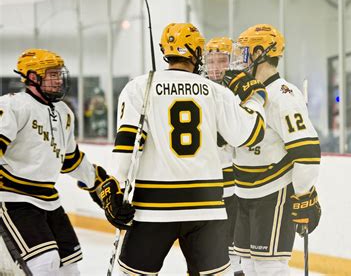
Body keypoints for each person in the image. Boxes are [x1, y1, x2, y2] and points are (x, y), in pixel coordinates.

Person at [112, 23, 267, 275]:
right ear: (196, 53)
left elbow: (128, 145)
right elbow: (250, 135)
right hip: (205, 207)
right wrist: (256, 97)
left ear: (165, 50)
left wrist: (118, 189)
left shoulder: (140, 87)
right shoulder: (215, 91)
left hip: (153, 208)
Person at [0, 49, 133, 275]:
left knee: (70, 268)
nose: (58, 79)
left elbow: (70, 160)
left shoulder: (63, 112)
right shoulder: (13, 106)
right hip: (14, 199)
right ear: (32, 77)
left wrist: (99, 184)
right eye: (51, 74)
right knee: (45, 263)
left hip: (49, 201)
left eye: (59, 74)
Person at [230, 24, 321, 275]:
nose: (239, 60)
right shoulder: (247, 94)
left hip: (273, 192)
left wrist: (303, 194)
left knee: (270, 267)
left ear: (260, 53)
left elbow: (307, 151)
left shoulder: (284, 95)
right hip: (245, 192)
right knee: (248, 267)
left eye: (244, 53)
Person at [203, 36, 243, 275]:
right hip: (207, 188)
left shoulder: (241, 91)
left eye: (222, 61)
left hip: (236, 189)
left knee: (236, 256)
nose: (216, 67)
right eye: (211, 61)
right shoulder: (198, 91)